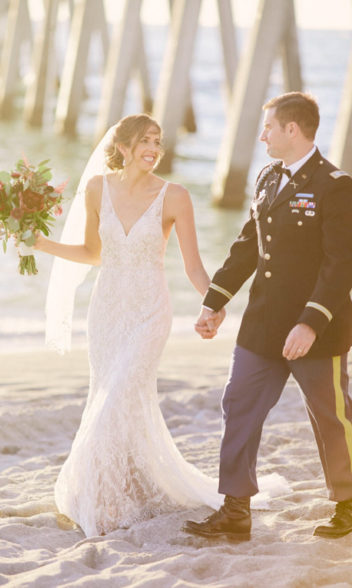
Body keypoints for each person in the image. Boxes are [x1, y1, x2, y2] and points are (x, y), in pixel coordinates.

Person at [33, 113, 226, 536]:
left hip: (149, 312)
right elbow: (92, 252)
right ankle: (129, 487)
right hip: (106, 313)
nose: (154, 148)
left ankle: (102, 502)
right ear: (122, 147)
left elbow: (194, 267)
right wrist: (43, 245)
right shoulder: (98, 188)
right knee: (116, 400)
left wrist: (214, 303)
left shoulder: (175, 196)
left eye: (158, 140)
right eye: (145, 140)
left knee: (114, 401)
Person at [183, 92, 352, 540]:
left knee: (332, 417)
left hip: (317, 331)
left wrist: (310, 322)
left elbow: (341, 266)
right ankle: (236, 510)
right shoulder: (267, 178)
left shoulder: (336, 185)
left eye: (269, 128)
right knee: (239, 406)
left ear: (292, 130)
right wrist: (215, 300)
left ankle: (349, 503)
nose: (262, 137)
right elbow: (247, 247)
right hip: (261, 325)